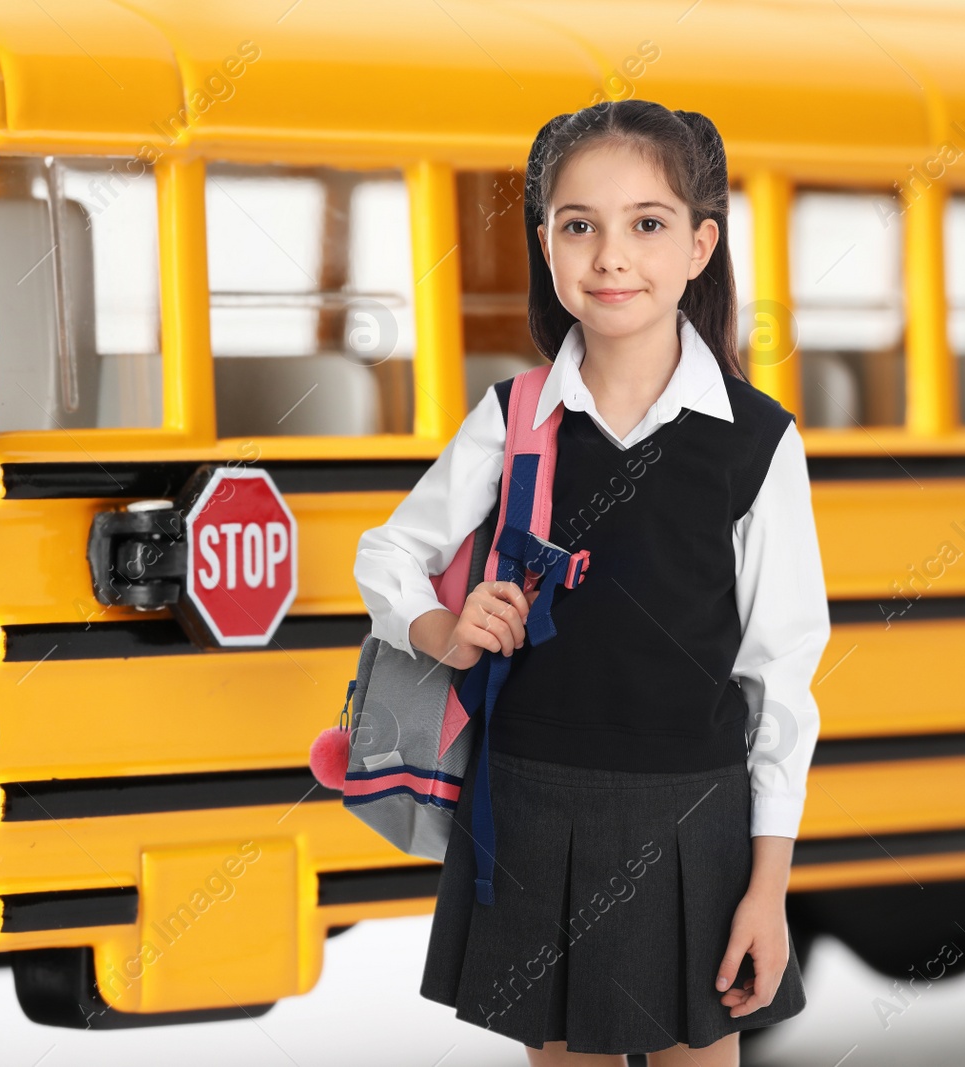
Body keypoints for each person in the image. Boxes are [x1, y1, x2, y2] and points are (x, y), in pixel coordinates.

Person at [353, 100, 832, 1066]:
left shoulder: (757, 441)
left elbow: (780, 680)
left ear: (701, 245)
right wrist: (442, 627)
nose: (611, 256)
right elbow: (386, 554)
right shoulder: (515, 414)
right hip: (532, 802)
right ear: (548, 243)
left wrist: (767, 888)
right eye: (580, 226)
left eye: (647, 224)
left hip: (694, 813)